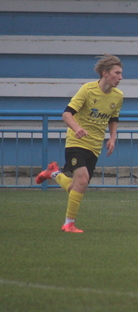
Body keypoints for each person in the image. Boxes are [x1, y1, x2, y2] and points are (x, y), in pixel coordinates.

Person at [35, 54, 124, 233]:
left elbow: (113, 118)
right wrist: (76, 129)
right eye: (117, 73)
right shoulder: (87, 90)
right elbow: (66, 114)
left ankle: (54, 173)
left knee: (78, 186)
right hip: (76, 141)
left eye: (121, 74)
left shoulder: (118, 96)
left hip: (95, 145)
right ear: (105, 73)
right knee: (82, 181)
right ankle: (69, 224)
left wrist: (112, 137)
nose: (120, 77)